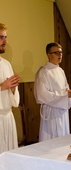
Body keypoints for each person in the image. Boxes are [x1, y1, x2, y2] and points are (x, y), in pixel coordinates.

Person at [34, 42, 71, 142]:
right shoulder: (43, 72)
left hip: (62, 112)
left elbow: (66, 89)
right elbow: (42, 95)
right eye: (56, 52)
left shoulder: (61, 71)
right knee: (51, 141)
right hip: (51, 113)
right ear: (49, 55)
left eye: (61, 52)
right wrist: (65, 96)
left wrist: (69, 94)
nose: (60, 55)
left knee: (63, 140)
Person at [0, 23, 20, 153]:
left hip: (8, 118)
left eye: (6, 37)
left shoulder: (6, 64)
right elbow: (3, 86)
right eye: (1, 37)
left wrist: (12, 89)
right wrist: (2, 86)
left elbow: (14, 99)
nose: (5, 41)